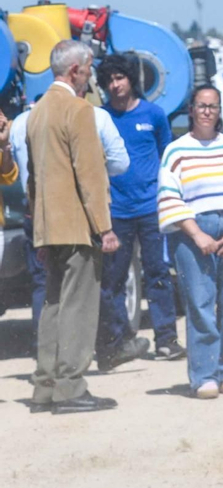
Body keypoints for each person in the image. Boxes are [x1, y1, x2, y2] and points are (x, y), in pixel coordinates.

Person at [27, 40, 119, 414]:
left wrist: (39, 231)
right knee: (78, 307)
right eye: (90, 68)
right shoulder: (79, 110)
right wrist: (104, 227)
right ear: (76, 70)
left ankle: (45, 386)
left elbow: (33, 178)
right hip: (78, 226)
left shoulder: (36, 113)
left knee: (53, 305)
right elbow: (90, 174)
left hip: (48, 226)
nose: (91, 75)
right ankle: (70, 387)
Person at [158, 84, 223, 398]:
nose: (207, 112)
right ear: (191, 110)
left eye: (213, 106)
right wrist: (197, 234)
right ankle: (204, 375)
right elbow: (169, 197)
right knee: (201, 304)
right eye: (201, 106)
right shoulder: (176, 150)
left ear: (219, 111)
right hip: (193, 232)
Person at [10, 85, 128, 338]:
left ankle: (46, 349)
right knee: (89, 283)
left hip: (37, 212)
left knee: (46, 285)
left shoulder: (23, 121)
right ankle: (105, 344)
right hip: (79, 214)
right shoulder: (93, 115)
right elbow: (120, 163)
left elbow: (20, 171)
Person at [96, 53, 182, 368]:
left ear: (131, 79)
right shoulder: (101, 118)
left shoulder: (154, 114)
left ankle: (166, 339)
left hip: (150, 208)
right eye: (109, 80)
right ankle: (121, 340)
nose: (115, 85)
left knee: (158, 272)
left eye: (120, 78)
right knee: (114, 278)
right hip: (116, 211)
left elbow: (166, 158)